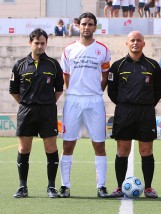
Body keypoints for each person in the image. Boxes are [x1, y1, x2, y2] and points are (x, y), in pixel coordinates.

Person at [59, 12, 111, 198]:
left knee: (99, 145)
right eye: (83, 24)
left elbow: (105, 76)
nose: (86, 27)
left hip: (95, 101)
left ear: (95, 27)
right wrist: (74, 91)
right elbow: (66, 75)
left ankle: (101, 186)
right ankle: (65, 186)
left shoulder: (103, 49)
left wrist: (96, 91)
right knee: (68, 144)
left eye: (90, 24)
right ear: (78, 26)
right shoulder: (68, 49)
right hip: (73, 100)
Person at [107, 31, 161, 198]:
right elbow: (112, 91)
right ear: (127, 43)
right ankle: (119, 187)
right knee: (122, 150)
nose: (135, 43)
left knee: (146, 151)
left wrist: (146, 104)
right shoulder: (117, 66)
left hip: (145, 112)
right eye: (132, 40)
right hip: (124, 112)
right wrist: (125, 103)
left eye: (139, 40)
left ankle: (148, 188)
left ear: (144, 44)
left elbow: (159, 90)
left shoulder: (153, 66)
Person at [9, 28, 64, 198]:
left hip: (47, 111)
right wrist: (27, 104)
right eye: (36, 43)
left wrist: (46, 103)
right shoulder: (20, 64)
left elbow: (59, 89)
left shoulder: (54, 64)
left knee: (51, 148)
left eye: (43, 43)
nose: (40, 46)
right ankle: (22, 187)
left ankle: (51, 187)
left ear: (46, 44)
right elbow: (14, 91)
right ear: (30, 43)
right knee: (24, 148)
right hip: (26, 111)